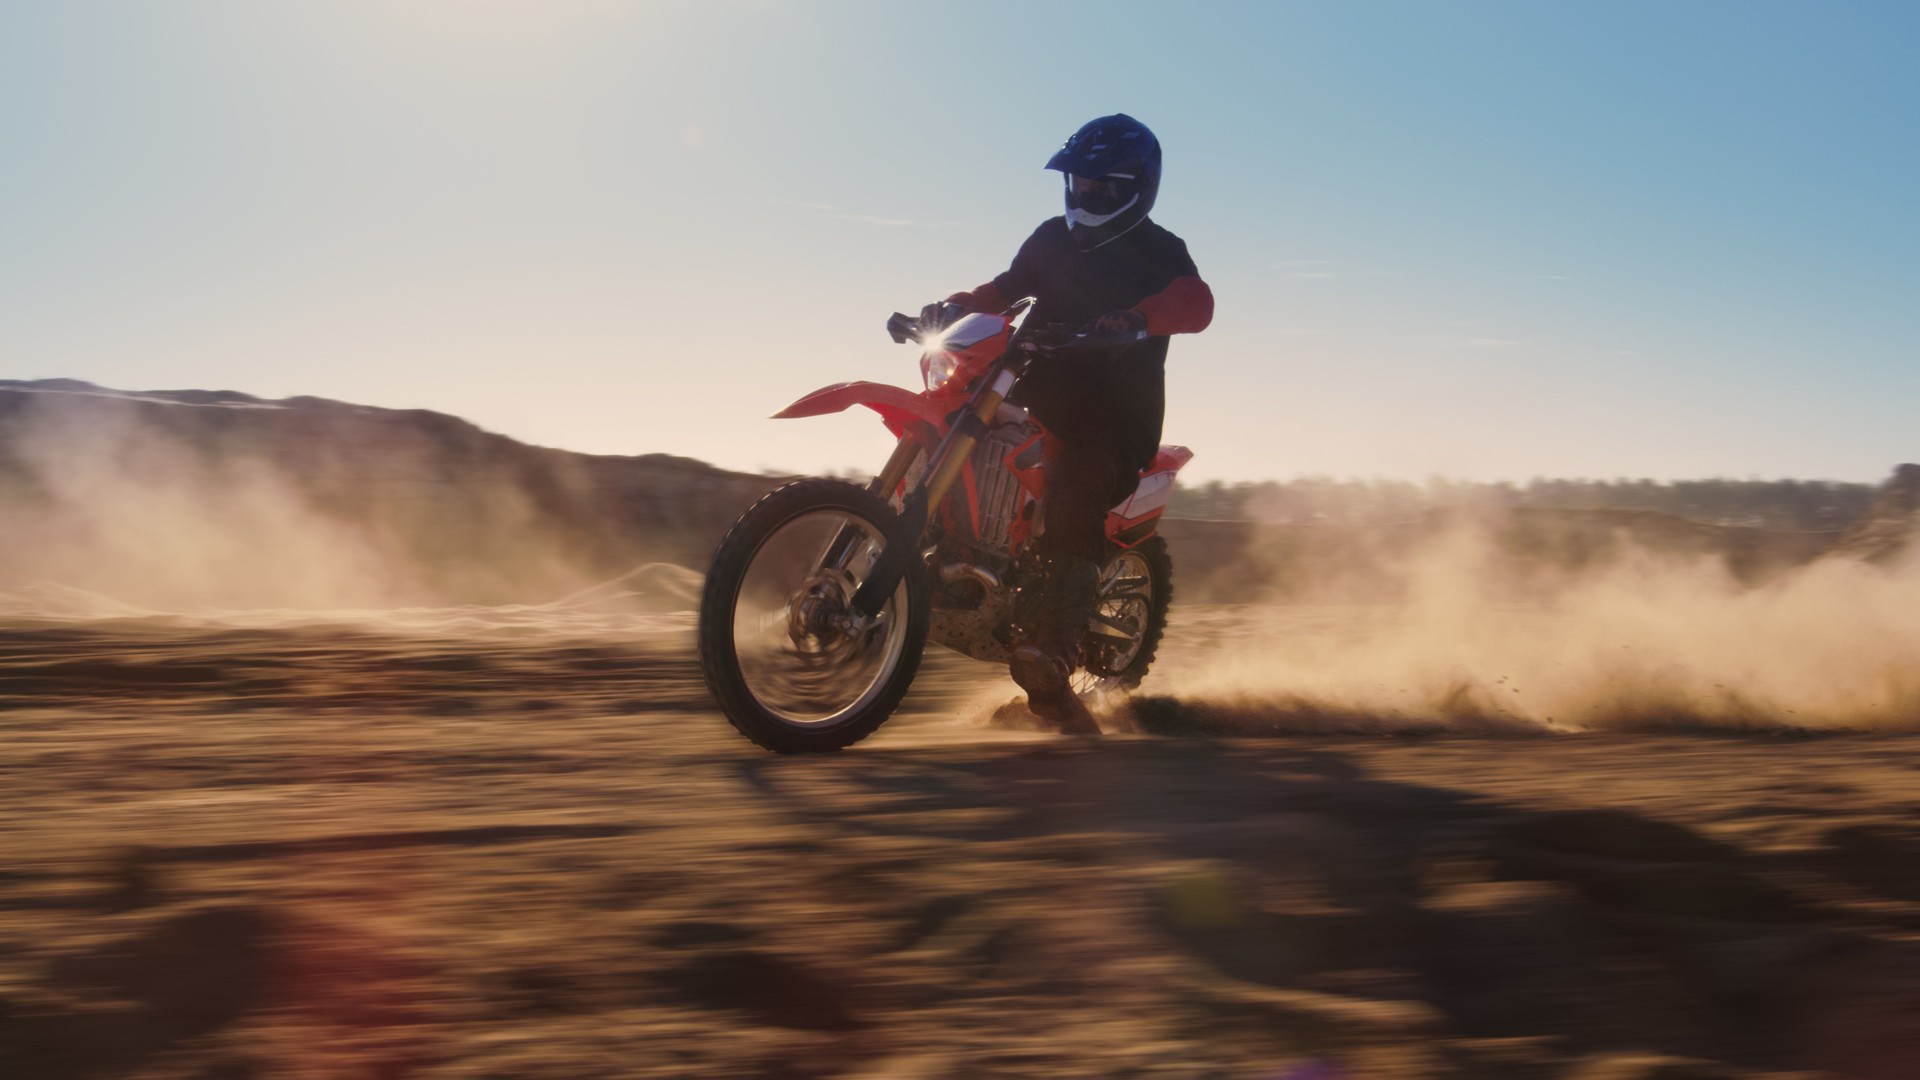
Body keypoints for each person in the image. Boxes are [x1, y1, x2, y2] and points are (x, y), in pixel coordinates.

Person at [922, 113, 1213, 733]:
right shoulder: (1052, 238)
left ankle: (1054, 653)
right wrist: (956, 306)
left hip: (1113, 420)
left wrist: (1138, 318)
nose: (1086, 196)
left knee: (1076, 486)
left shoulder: (1161, 251)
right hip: (1035, 391)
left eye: (1101, 187)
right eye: (1079, 184)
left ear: (1135, 188)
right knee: (948, 426)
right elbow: (1005, 289)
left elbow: (1197, 302)